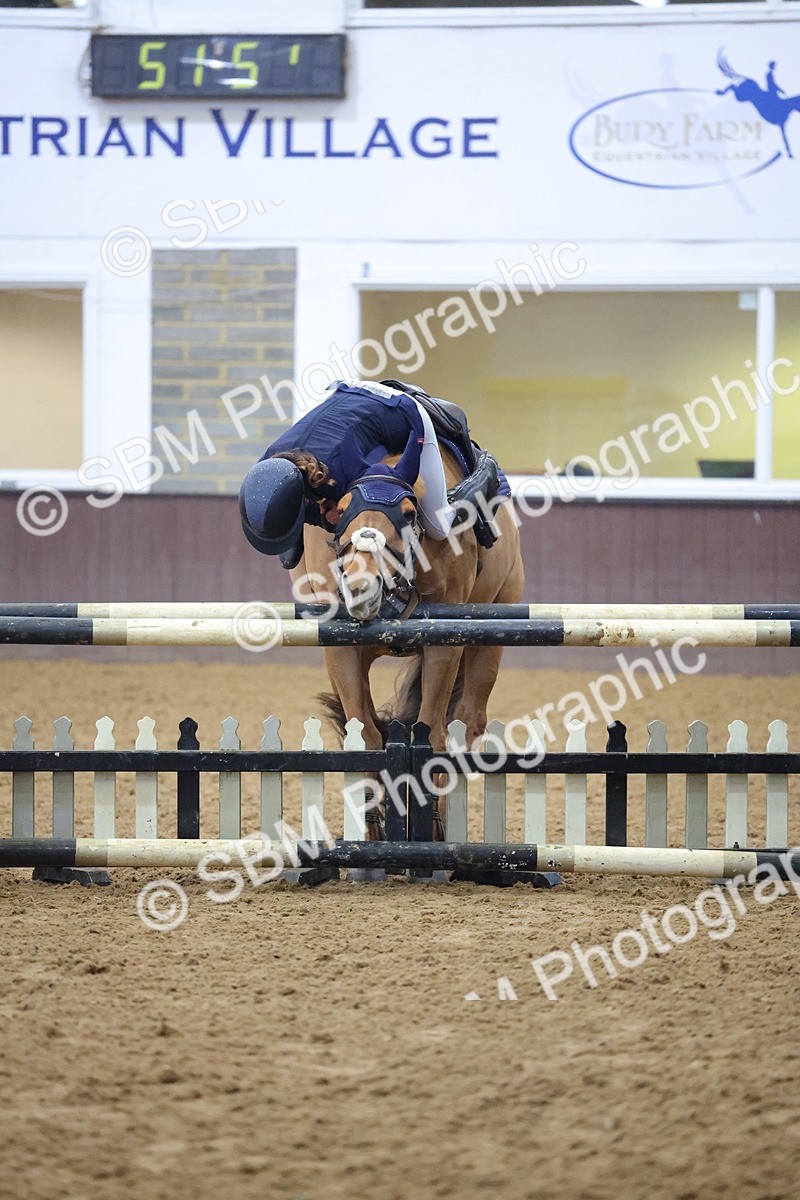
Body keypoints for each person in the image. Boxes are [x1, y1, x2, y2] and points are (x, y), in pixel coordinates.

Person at [239, 378, 501, 567]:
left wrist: (325, 518)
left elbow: (371, 497)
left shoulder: (338, 475)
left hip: (402, 412)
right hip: (349, 394)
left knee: (440, 527)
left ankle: (484, 474)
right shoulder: (265, 464)